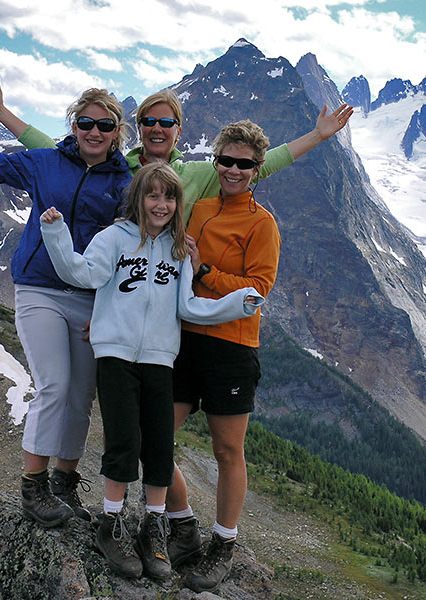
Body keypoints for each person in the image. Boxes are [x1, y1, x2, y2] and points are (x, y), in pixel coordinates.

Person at [0, 88, 132, 528]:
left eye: (104, 125)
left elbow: (135, 237)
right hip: (40, 291)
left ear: (116, 133)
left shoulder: (125, 181)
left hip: (92, 299)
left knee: (79, 397)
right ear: (74, 126)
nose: (94, 132)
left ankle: (65, 484)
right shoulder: (44, 162)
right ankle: (33, 487)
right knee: (53, 385)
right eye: (86, 123)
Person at [38, 162, 264, 580]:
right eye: (153, 195)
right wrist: (56, 234)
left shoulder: (179, 251)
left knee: (159, 444)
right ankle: (111, 525)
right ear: (138, 198)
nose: (161, 204)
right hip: (116, 356)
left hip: (161, 358)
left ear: (178, 203)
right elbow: (81, 273)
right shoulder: (113, 238)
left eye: (169, 196)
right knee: (123, 439)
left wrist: (235, 304)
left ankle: (154, 527)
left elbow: (188, 307)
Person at [0, 73, 353, 218]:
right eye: (148, 120)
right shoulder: (114, 165)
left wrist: (318, 136)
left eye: (166, 122)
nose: (156, 128)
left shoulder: (197, 174)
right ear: (137, 126)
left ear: (178, 131)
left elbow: (259, 165)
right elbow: (51, 149)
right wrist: (2, 112)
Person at [170, 120, 280, 593]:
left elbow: (259, 290)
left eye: (244, 164)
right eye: (226, 160)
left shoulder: (262, 223)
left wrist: (208, 271)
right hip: (182, 338)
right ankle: (181, 522)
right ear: (216, 161)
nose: (233, 170)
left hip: (232, 345)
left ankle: (224, 543)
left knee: (227, 450)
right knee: (150, 434)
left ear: (257, 169)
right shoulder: (200, 207)